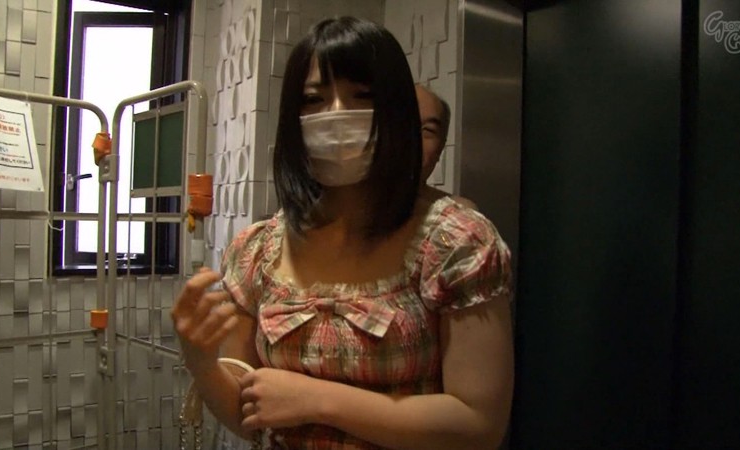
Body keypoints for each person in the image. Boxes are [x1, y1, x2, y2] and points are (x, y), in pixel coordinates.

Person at [172, 16, 514, 450]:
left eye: (363, 97)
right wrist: (201, 362)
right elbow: (251, 415)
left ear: (397, 112)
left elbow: (478, 425)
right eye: (313, 100)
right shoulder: (257, 249)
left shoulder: (456, 243)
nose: (336, 114)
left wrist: (317, 400)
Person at [415, 84, 478, 210]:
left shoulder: (458, 214)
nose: (413, 138)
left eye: (428, 130)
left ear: (440, 147)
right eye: (402, 124)